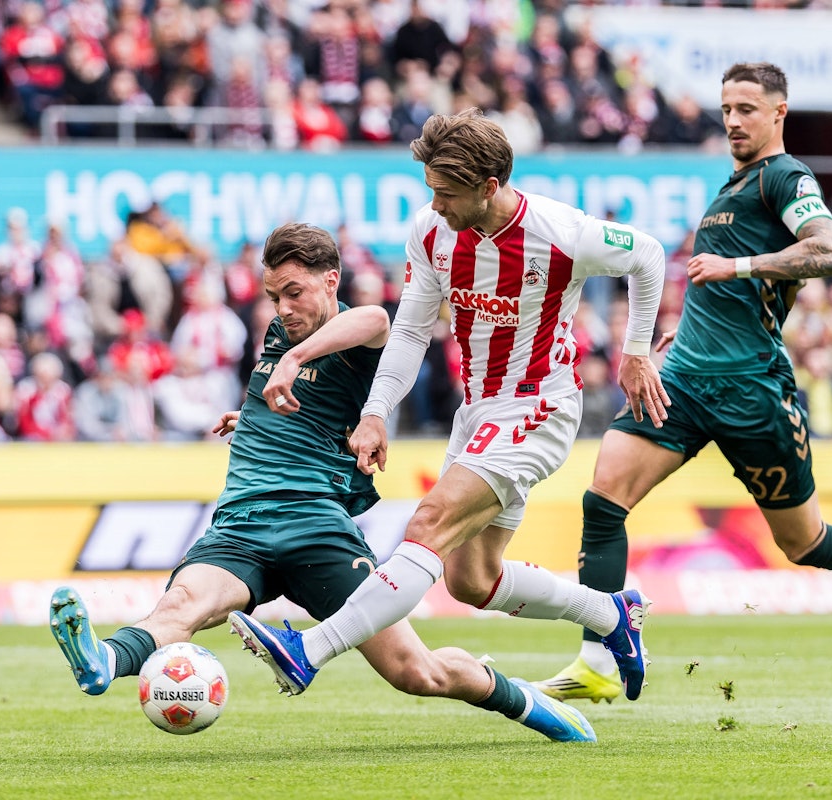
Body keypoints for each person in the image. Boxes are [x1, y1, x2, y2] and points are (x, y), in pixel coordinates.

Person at [49, 222, 597, 744]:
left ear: (330, 280)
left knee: (415, 671)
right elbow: (302, 400)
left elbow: (377, 319)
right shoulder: (280, 335)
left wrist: (296, 357)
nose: (283, 309)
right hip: (240, 524)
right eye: (274, 297)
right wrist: (256, 415)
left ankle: (524, 701)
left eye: (294, 292)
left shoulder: (360, 341)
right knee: (181, 609)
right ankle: (104, 661)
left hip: (315, 526)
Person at [532, 62, 832, 705]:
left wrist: (742, 264)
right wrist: (672, 341)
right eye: (727, 108)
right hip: (684, 379)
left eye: (746, 108)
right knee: (604, 499)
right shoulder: (732, 188)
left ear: (778, 113)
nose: (733, 120)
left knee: (805, 542)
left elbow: (829, 250)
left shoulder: (784, 177)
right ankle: (599, 655)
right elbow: (720, 299)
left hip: (751, 390)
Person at [229, 108, 669, 704]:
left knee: (427, 526)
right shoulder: (431, 232)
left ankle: (310, 650)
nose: (434, 204)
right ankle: (614, 615)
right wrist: (377, 411)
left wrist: (635, 352)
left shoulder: (562, 232)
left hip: (539, 407)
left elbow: (647, 255)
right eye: (430, 190)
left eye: (446, 193)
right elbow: (409, 330)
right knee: (472, 580)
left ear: (489, 187)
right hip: (479, 412)